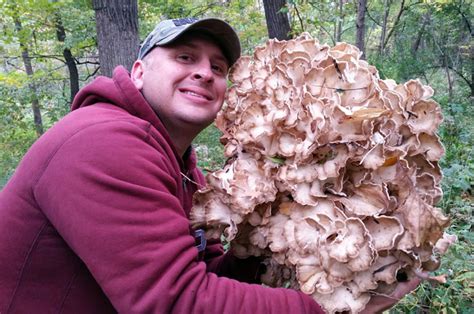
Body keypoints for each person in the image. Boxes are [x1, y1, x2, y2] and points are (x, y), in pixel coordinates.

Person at [0, 17, 419, 313]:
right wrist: (321, 308)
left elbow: (208, 271)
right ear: (140, 71)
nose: (204, 73)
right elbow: (175, 302)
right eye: (185, 57)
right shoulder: (100, 141)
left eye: (217, 68)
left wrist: (259, 242)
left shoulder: (185, 171)